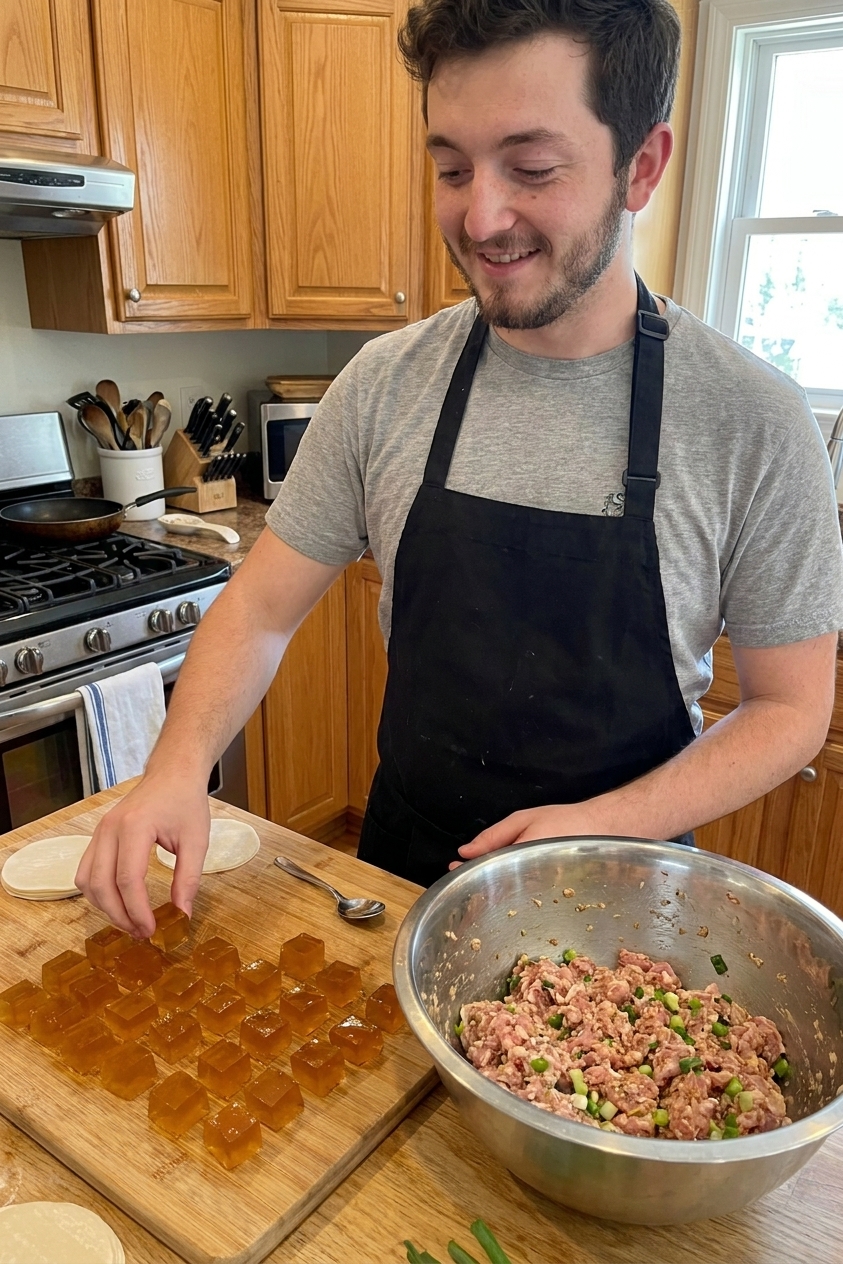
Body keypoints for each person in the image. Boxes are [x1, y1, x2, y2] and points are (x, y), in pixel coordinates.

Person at [76, 0, 843, 937]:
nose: (480, 215)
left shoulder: (752, 421)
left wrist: (593, 828)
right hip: (408, 870)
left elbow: (788, 710)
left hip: (621, 897)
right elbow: (262, 606)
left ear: (640, 166)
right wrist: (173, 769)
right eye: (450, 167)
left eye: (531, 168)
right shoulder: (384, 384)